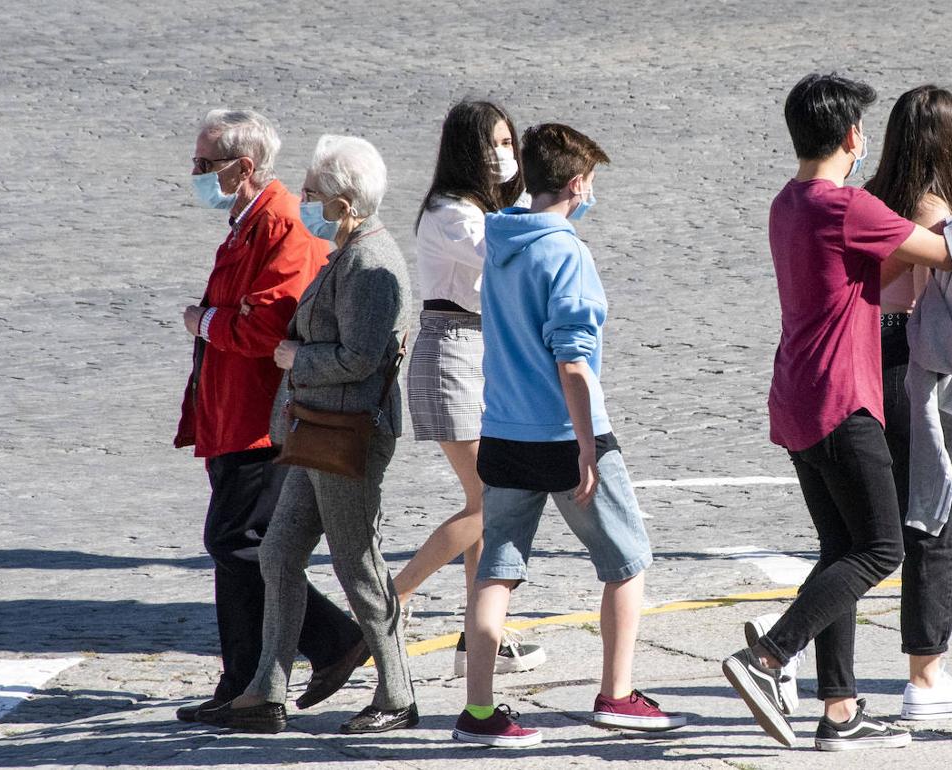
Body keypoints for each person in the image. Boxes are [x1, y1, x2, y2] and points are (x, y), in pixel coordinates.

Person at [721, 73, 952, 752]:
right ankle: (767, 657)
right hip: (842, 399)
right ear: (853, 136)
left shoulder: (787, 203)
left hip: (795, 396)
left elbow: (862, 280)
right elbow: (943, 251)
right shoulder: (845, 206)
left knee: (840, 549)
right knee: (880, 547)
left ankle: (839, 710)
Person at [451, 123, 686, 748]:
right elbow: (574, 363)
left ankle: (478, 713)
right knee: (628, 560)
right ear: (578, 183)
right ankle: (616, 696)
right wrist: (588, 446)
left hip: (502, 429)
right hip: (563, 432)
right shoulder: (566, 253)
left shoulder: (500, 243)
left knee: (495, 571)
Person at [199, 134, 417, 735]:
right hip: (316, 431)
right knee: (277, 552)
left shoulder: (371, 265)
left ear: (345, 202)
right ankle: (268, 688)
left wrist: (296, 357)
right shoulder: (348, 253)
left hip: (346, 437)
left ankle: (398, 694)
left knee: (358, 565)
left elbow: (360, 358)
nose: (305, 200)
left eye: (315, 192)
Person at [174, 109, 361, 725]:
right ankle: (242, 685)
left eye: (204, 164)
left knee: (240, 544)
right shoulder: (247, 221)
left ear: (242, 167)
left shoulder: (280, 223)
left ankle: (335, 639)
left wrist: (203, 322)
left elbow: (264, 324)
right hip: (230, 412)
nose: (195, 173)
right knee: (236, 551)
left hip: (262, 417)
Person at [862, 85, 952, 720]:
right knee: (937, 522)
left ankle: (795, 652)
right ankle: (926, 678)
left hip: (866, 358)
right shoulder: (926, 211)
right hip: (913, 369)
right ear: (940, 142)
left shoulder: (869, 197)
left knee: (865, 527)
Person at [395, 100, 545, 676]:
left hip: (482, 354)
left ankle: (478, 636)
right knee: (491, 500)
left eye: (510, 143)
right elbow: (504, 255)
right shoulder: (452, 212)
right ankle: (394, 597)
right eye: (495, 145)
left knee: (490, 500)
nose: (504, 155)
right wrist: (548, 206)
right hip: (452, 352)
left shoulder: (484, 210)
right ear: (466, 150)